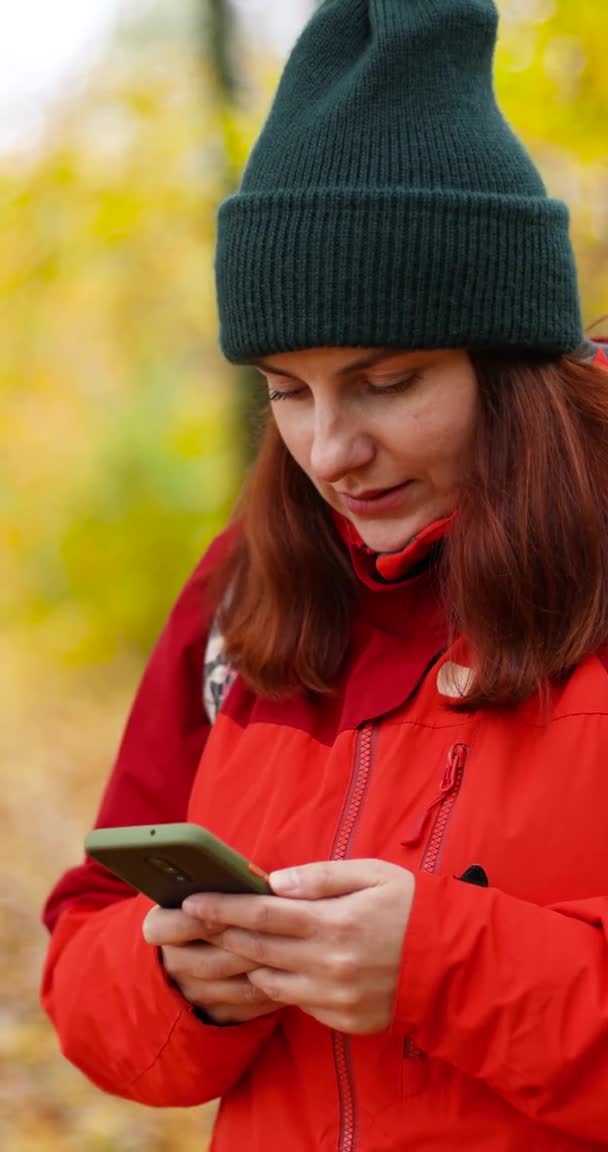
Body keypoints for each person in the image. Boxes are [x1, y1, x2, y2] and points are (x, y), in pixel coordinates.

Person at [41, 1, 608, 1149]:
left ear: (511, 364)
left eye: (386, 380)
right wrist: (185, 985)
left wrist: (445, 967)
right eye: (285, 392)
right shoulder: (242, 592)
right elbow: (86, 957)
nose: (329, 451)